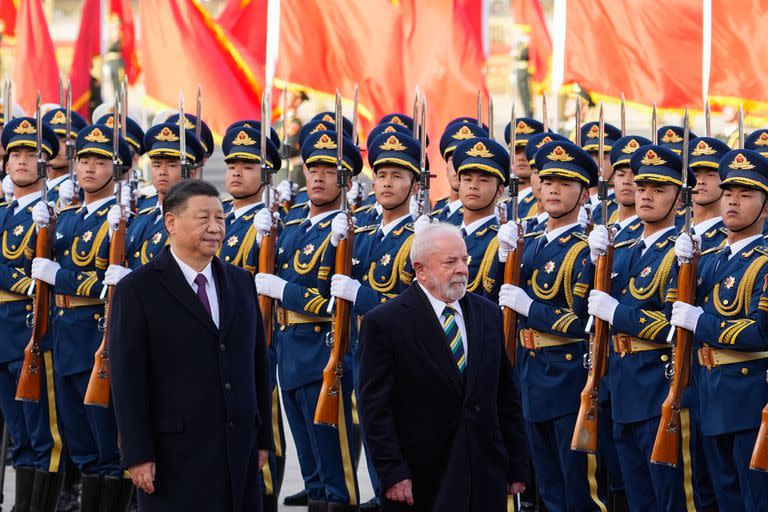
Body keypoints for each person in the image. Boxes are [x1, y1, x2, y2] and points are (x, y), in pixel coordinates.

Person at [109, 179, 272, 511]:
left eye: (220, 218)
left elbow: (258, 366)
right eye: (203, 218)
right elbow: (128, 380)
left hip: (237, 450)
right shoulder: (138, 289)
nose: (215, 228)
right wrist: (137, 453)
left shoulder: (240, 282)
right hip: (174, 456)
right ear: (171, 222)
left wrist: (263, 438)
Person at [358, 222, 529, 511]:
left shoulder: (487, 314)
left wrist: (517, 464)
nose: (462, 269)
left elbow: (505, 396)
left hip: (483, 474)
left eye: (464, 260)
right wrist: (392, 473)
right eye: (450, 262)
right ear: (420, 269)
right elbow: (375, 410)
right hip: (421, 480)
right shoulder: (385, 322)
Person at [254, 129, 362, 511]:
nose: (317, 177)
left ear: (346, 179)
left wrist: (282, 290)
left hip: (324, 354)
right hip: (291, 354)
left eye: (329, 171)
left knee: (338, 477)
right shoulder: (295, 225)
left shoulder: (347, 231)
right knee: (313, 473)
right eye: (312, 168)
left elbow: (332, 301)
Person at [585, 145, 697, 511]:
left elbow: (669, 325)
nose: (647, 195)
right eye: (643, 186)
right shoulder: (627, 249)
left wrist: (615, 311)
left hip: (656, 384)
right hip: (622, 385)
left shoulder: (680, 253)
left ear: (680, 200)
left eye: (660, 189)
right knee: (634, 495)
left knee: (667, 496)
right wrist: (594, 261)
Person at [30, 123, 134, 510]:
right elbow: (36, 265)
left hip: (96, 334)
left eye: (100, 161)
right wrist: (40, 230)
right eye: (84, 160)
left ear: (117, 167)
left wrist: (63, 278)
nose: (89, 168)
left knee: (108, 441)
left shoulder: (120, 219)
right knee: (81, 443)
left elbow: (112, 283)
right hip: (65, 334)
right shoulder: (69, 217)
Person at [498, 140, 606, 512]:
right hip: (529, 373)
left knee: (578, 490)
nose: (553, 190)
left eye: (565, 183)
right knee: (548, 488)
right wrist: (501, 259)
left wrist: (529, 306)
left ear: (585, 192)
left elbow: (581, 322)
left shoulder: (584, 248)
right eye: (547, 182)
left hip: (565, 376)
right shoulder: (528, 241)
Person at [672, 148, 768, 511]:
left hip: (749, 396)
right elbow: (673, 311)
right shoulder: (709, 260)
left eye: (746, 196)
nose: (733, 202)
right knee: (719, 497)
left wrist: (702, 321)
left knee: (754, 499)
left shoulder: (763, 262)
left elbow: (761, 332)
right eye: (728, 194)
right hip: (707, 394)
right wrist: (678, 266)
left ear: (766, 208)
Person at [0, 117, 65, 512]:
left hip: (32, 331)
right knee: (20, 435)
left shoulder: (55, 216)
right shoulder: (3, 213)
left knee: (45, 435)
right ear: (5, 165)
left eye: (31, 154)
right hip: (3, 337)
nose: (22, 161)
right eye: (15, 154)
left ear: (45, 163)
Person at [432, 119, 489, 226]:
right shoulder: (439, 207)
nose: (458, 168)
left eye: (466, 163)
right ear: (446, 166)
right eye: (454, 160)